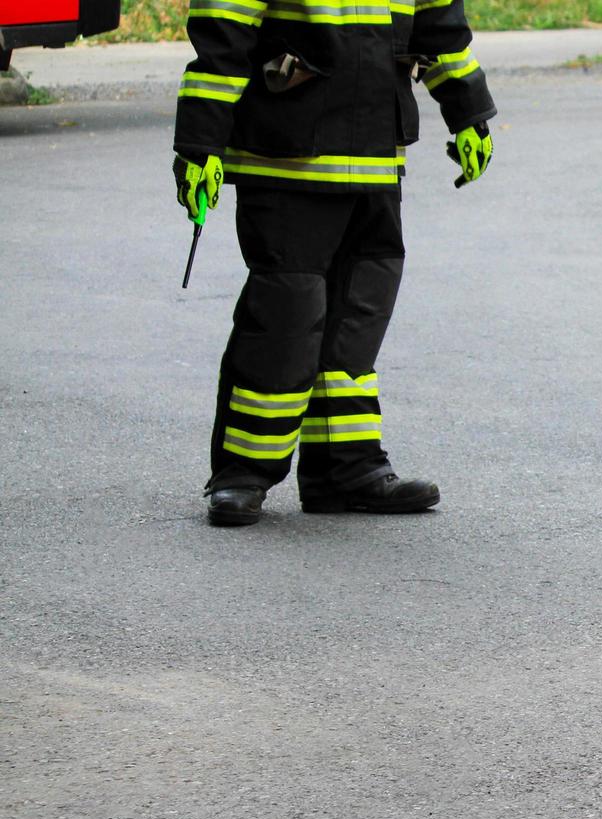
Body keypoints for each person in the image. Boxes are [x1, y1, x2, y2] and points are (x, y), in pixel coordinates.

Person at [174, 0, 497, 526]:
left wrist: (468, 112)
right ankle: (242, 472)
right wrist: (199, 143)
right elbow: (223, 30)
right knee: (285, 315)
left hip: (374, 153)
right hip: (286, 151)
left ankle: (343, 468)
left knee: (359, 311)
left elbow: (439, 21)